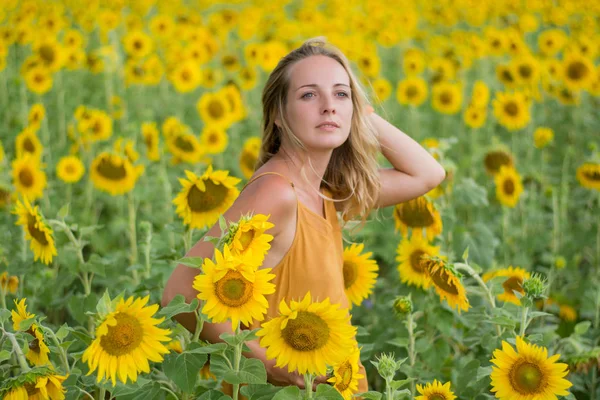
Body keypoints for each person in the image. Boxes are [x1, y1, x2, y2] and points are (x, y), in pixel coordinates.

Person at [162, 37, 446, 394]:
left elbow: (428, 174)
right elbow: (180, 291)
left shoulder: (325, 191)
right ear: (278, 115)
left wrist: (360, 114)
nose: (329, 107)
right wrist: (264, 362)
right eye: (309, 95)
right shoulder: (277, 192)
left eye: (341, 94)